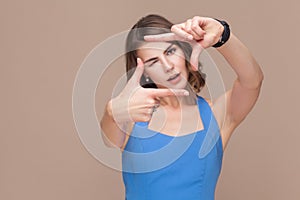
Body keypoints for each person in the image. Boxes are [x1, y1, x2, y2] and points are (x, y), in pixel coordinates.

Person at [100, 14, 264, 200]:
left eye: (170, 52)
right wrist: (112, 111)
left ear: (184, 50)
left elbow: (253, 81)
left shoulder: (216, 115)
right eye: (153, 62)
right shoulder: (132, 117)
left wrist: (222, 34)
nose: (168, 66)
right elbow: (108, 139)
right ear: (144, 73)